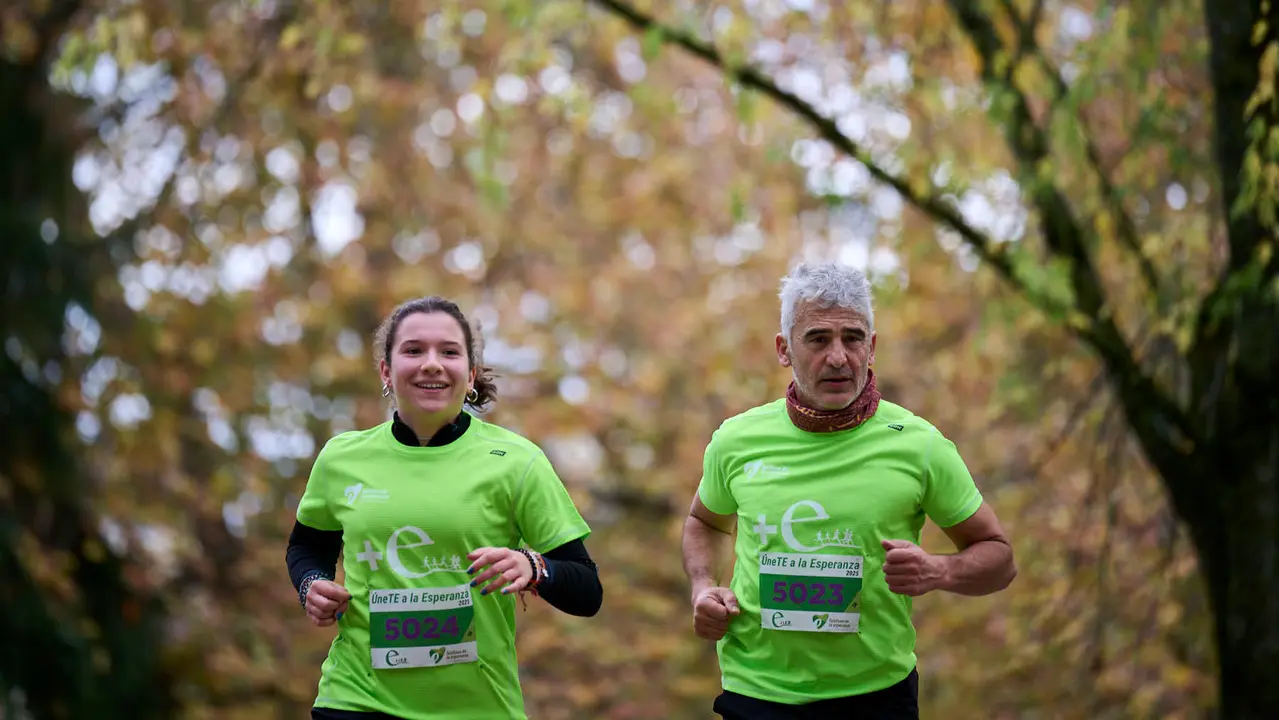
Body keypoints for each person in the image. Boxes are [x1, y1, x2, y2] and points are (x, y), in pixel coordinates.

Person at [682, 262, 1017, 719]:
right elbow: (705, 521)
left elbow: (999, 558)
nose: (838, 357)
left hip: (876, 697)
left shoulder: (919, 445)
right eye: (818, 339)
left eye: (853, 338)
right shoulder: (736, 440)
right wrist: (704, 587)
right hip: (757, 693)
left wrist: (940, 571)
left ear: (872, 346)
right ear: (784, 349)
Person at [285, 296, 603, 720]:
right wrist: (312, 585)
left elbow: (587, 591)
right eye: (414, 350)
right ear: (386, 370)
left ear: (470, 374)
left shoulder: (517, 461)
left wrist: (534, 567)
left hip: (477, 707)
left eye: (449, 352)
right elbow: (306, 547)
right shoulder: (342, 459)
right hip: (356, 699)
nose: (431, 363)